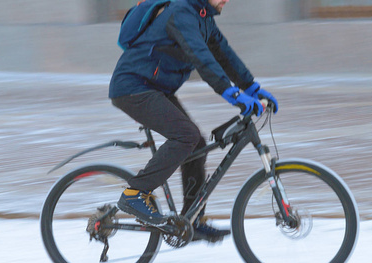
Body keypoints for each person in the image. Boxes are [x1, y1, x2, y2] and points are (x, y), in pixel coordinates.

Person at [109, 0, 278, 242]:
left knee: (195, 144)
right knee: (185, 136)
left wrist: (252, 88)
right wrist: (232, 94)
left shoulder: (203, 18)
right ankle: (135, 193)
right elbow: (201, 57)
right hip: (133, 88)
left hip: (155, 88)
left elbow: (223, 54)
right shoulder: (181, 13)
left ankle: (192, 219)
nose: (226, 0)